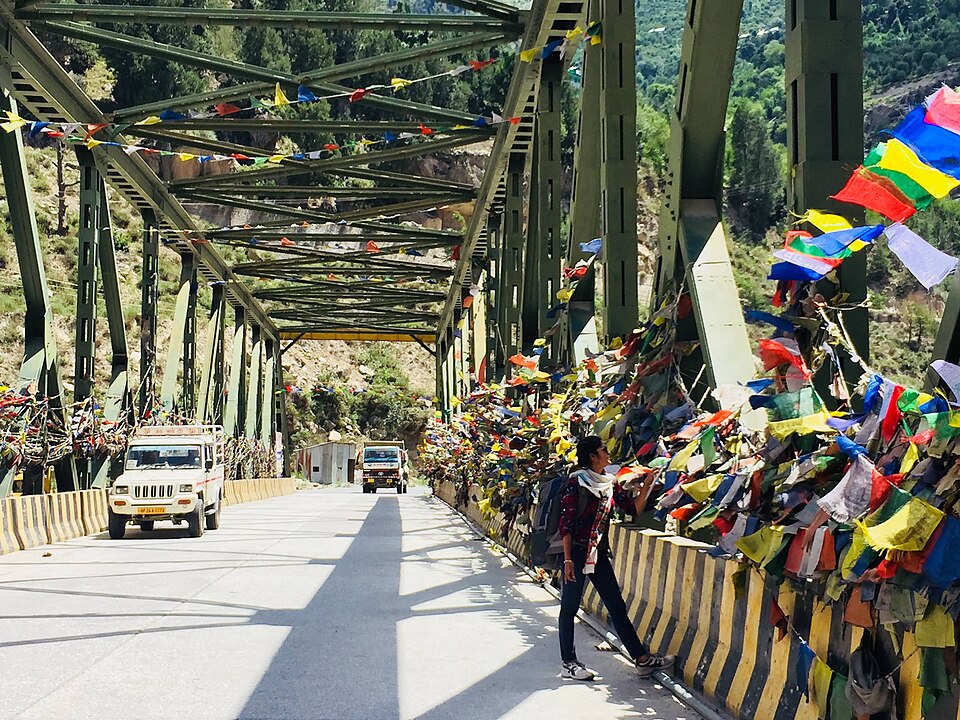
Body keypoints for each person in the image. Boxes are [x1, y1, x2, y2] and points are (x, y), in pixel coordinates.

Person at [557, 435, 676, 681]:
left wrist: (648, 484)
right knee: (569, 607)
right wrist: (567, 560)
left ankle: (641, 660)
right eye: (603, 449)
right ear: (592, 456)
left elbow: (632, 509)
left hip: (597, 553)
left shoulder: (610, 482)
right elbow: (566, 524)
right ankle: (568, 663)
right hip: (576, 553)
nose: (607, 453)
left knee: (616, 606)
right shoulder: (576, 482)